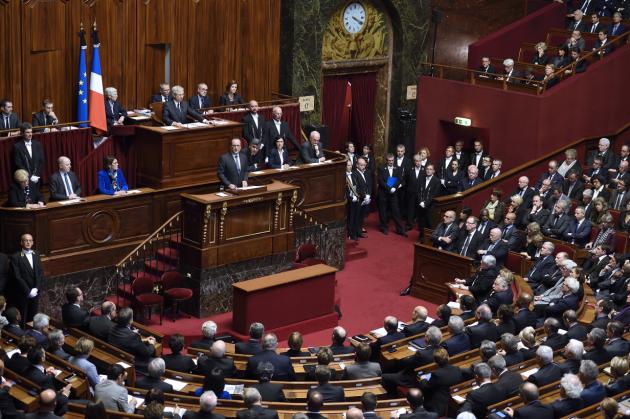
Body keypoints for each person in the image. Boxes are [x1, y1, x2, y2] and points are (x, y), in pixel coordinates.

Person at [108, 307, 156, 372]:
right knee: (156, 361)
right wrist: (152, 344)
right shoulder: (133, 336)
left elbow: (125, 341)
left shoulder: (112, 328)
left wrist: (142, 340)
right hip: (133, 362)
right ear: (130, 320)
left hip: (117, 355)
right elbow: (147, 352)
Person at [9, 234, 43, 324]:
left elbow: (40, 273)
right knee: (23, 318)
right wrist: (28, 291)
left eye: (30, 240)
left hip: (35, 292)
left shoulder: (36, 254)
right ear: (21, 242)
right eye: (26, 240)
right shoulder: (16, 257)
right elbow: (17, 276)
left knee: (33, 317)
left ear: (32, 242)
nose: (28, 242)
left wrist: (36, 288)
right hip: (23, 294)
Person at [377, 153, 406, 236]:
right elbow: (381, 181)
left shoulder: (398, 168)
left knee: (396, 211)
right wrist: (389, 188)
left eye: (392, 160)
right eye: (389, 160)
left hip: (393, 194)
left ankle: (400, 229)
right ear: (386, 160)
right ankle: (384, 228)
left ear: (394, 160)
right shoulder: (381, 168)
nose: (391, 162)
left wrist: (394, 187)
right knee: (383, 211)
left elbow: (399, 179)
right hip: (383, 193)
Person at [11, 123, 45, 188]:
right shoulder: (17, 147)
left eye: (31, 132)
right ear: (22, 133)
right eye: (27, 132)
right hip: (25, 179)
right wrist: (30, 176)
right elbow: (18, 163)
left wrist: (36, 175)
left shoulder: (37, 144)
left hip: (37, 178)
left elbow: (41, 161)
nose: (30, 134)